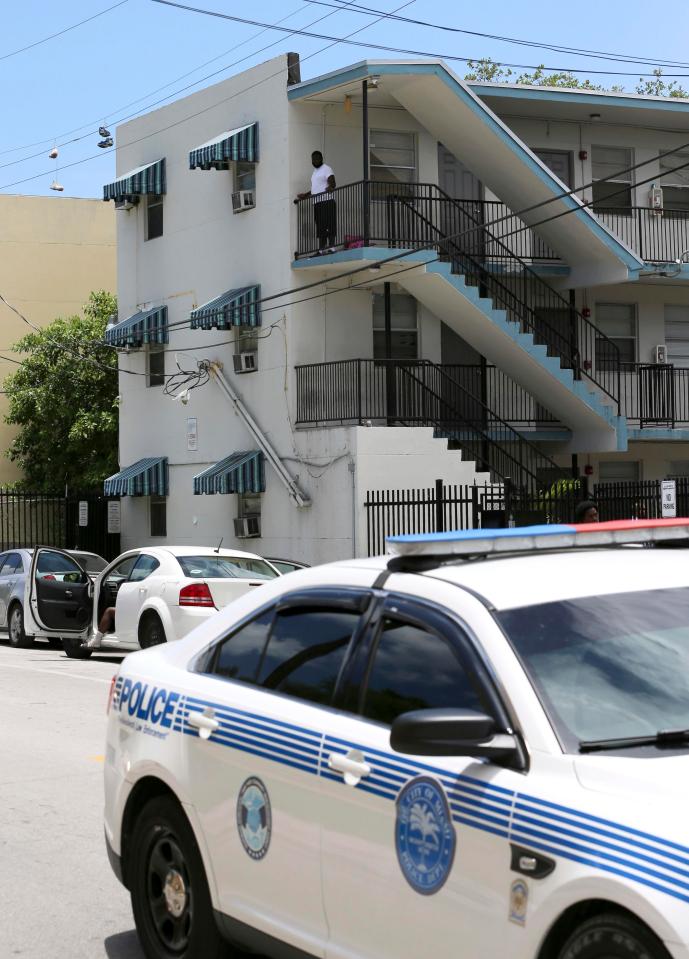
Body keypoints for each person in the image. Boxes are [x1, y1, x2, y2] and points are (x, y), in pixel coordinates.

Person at [295, 150, 337, 253]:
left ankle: (331, 247)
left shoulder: (327, 169)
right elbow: (315, 189)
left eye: (316, 158)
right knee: (320, 226)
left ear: (321, 158)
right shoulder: (314, 172)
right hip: (317, 202)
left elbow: (333, 183)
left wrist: (331, 187)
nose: (314, 161)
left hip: (327, 200)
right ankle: (321, 249)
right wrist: (305, 195)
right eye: (313, 159)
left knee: (329, 224)